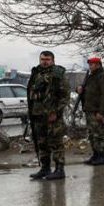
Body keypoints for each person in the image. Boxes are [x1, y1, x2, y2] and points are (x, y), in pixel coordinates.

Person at [27, 50, 71, 180]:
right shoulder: (36, 73)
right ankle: (45, 168)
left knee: (55, 142)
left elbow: (65, 96)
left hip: (52, 115)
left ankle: (59, 169)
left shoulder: (58, 74)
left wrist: (56, 112)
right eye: (42, 59)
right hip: (38, 113)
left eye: (47, 60)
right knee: (42, 142)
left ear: (53, 60)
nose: (44, 62)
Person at [78, 57, 104, 166]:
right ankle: (96, 155)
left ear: (98, 64)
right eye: (89, 64)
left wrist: (101, 112)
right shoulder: (91, 77)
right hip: (89, 110)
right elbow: (86, 90)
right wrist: (78, 89)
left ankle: (102, 157)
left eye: (92, 64)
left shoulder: (103, 77)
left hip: (97, 111)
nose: (90, 66)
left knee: (100, 134)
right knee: (92, 134)